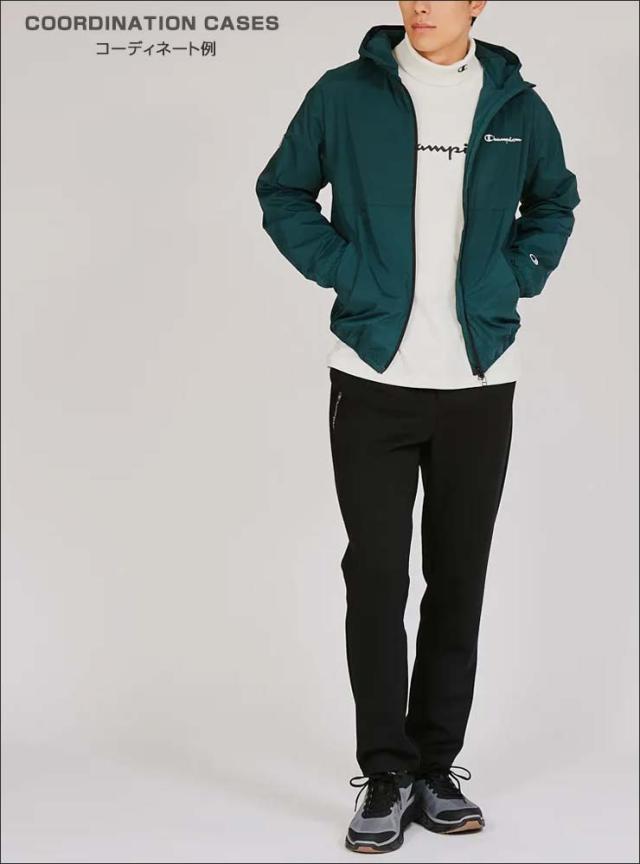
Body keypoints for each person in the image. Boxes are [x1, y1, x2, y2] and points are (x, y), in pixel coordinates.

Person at [255, 0, 580, 854]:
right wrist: (348, 272)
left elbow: (556, 201)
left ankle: (436, 767)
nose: (422, 4)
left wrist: (516, 277)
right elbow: (282, 191)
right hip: (372, 376)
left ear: (478, 2)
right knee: (375, 577)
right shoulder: (344, 94)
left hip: (480, 382)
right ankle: (386, 771)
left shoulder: (516, 106)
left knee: (458, 578)